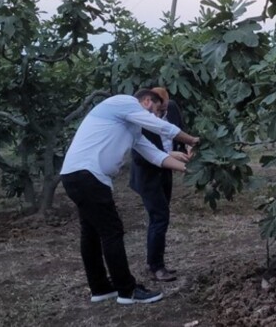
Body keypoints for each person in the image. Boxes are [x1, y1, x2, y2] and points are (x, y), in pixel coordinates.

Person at [60, 89, 200, 305]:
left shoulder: (132, 129)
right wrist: (192, 140)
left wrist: (189, 169)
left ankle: (100, 288)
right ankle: (128, 290)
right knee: (112, 232)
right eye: (156, 110)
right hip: (87, 175)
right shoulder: (123, 102)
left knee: (91, 232)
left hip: (76, 175)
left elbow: (155, 155)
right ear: (146, 101)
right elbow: (163, 128)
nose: (156, 116)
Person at [130, 87, 186, 282]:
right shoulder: (140, 117)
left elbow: (180, 132)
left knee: (161, 216)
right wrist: (169, 155)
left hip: (165, 172)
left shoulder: (171, 108)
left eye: (163, 109)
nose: (160, 113)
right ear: (149, 102)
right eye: (158, 109)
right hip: (148, 175)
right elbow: (140, 155)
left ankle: (155, 263)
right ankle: (156, 266)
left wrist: (186, 147)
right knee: (159, 217)